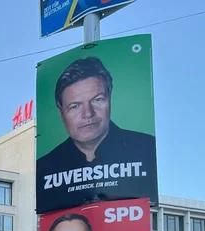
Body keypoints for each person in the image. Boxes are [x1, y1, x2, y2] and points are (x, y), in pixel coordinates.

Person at [35, 56, 157, 211]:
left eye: (97, 99)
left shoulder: (145, 148)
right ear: (61, 112)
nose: (88, 113)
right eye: (75, 106)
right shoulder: (45, 168)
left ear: (110, 98)